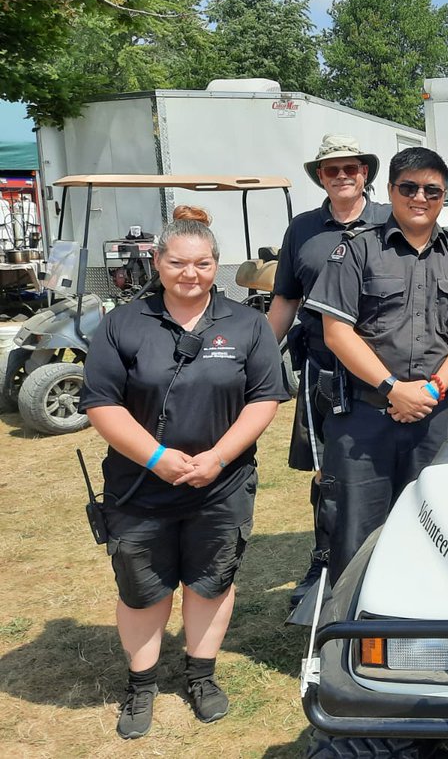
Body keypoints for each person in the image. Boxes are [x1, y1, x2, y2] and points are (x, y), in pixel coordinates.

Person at [80, 206, 289, 739]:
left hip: (221, 486)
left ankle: (201, 677)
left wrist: (217, 457)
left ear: (216, 264)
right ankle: (141, 685)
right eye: (177, 263)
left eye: (201, 263)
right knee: (143, 591)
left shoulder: (246, 325)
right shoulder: (121, 324)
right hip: (138, 487)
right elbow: (102, 403)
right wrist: (156, 457)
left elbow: (264, 398)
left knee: (210, 583)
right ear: (158, 261)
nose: (189, 273)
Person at [306, 147, 448, 583]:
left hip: (432, 415)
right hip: (364, 418)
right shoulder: (357, 251)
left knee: (434, 527)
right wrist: (393, 389)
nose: (420, 197)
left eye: (432, 190)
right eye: (408, 187)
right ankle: (350, 635)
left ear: (444, 196)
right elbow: (337, 333)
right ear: (389, 190)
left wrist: (432, 389)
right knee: (356, 533)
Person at [267, 134, 390, 609]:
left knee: (385, 468)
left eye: (350, 168)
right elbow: (285, 299)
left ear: (365, 173)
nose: (341, 176)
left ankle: (384, 555)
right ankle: (324, 556)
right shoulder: (302, 228)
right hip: (324, 369)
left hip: (382, 369)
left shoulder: (390, 218)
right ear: (320, 176)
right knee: (327, 473)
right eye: (331, 169)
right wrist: (253, 358)